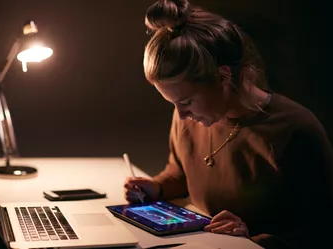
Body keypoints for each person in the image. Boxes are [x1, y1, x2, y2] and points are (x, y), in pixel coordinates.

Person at [123, 0, 333, 248]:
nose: (180, 115)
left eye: (187, 101)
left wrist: (250, 239)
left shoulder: (294, 130)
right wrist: (156, 187)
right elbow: (180, 172)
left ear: (223, 77)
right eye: (174, 104)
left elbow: (320, 231)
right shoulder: (189, 117)